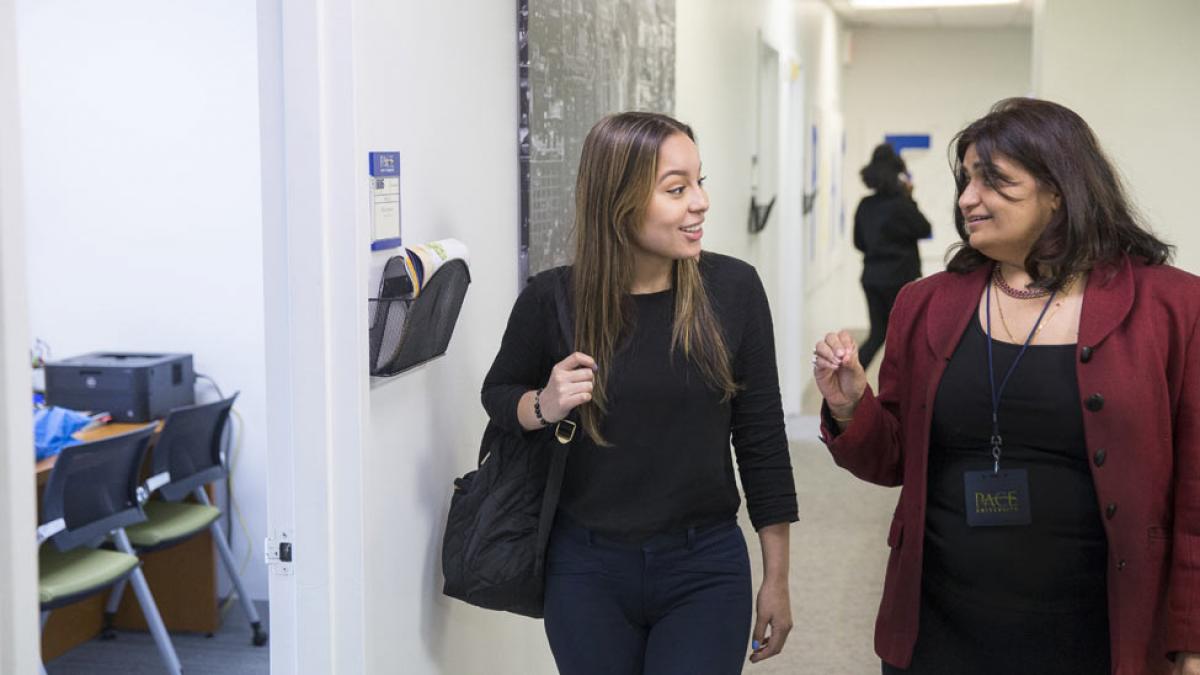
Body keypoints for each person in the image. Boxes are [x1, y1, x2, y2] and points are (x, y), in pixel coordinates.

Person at [812, 97, 1200, 674]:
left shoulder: (1172, 305)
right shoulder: (925, 305)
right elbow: (893, 459)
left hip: (1100, 627)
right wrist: (849, 408)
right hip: (943, 622)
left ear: (1059, 190)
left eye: (994, 181)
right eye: (966, 179)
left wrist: (1189, 641)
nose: (968, 198)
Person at [482, 112, 798, 674]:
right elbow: (499, 394)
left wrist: (777, 577)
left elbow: (763, 441)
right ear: (617, 200)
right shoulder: (552, 300)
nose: (699, 202)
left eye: (700, 183)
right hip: (586, 570)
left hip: (705, 567)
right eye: (676, 189)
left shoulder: (734, 291)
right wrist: (544, 404)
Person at [853, 143, 932, 369]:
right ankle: (905, 393)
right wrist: (910, 198)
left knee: (878, 334)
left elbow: (858, 243)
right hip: (900, 279)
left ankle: (846, 381)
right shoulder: (901, 205)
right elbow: (924, 228)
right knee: (906, 337)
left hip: (871, 277)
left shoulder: (865, 205)